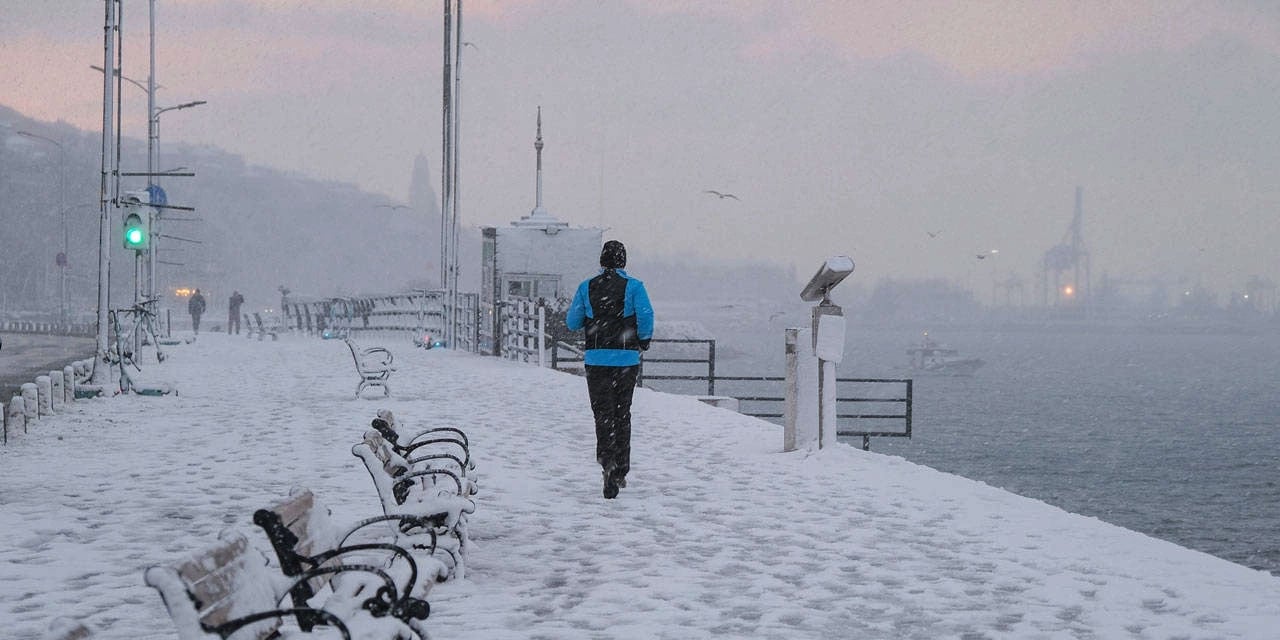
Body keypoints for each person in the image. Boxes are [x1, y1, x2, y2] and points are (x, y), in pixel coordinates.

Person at [565, 240, 655, 499]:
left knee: (602, 414)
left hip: (596, 360)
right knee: (622, 413)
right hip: (626, 360)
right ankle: (621, 469)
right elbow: (646, 316)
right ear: (624, 261)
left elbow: (572, 322)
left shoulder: (586, 286)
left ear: (602, 260)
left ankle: (607, 463)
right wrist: (643, 340)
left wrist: (592, 318)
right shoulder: (635, 287)